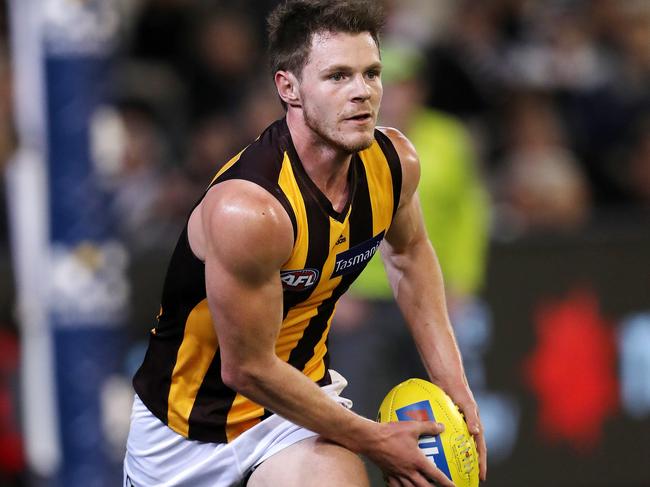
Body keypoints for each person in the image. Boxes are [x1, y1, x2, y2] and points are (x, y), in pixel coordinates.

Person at [124, 1, 486, 486]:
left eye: (371, 73)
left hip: (296, 414)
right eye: (338, 76)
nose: (363, 92)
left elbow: (410, 254)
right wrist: (375, 439)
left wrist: (455, 386)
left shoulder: (395, 163)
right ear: (288, 88)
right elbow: (247, 369)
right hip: (186, 429)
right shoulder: (250, 210)